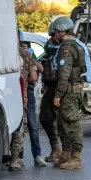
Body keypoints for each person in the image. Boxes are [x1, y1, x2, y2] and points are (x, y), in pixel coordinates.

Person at [51, 17, 91, 170]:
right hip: (75, 89)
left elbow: (64, 74)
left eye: (56, 32)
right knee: (63, 124)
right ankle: (66, 155)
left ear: (62, 31)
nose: (54, 34)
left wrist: (57, 94)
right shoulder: (78, 45)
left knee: (71, 124)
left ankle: (76, 158)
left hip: (69, 91)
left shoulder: (66, 49)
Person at [9, 29, 38, 171]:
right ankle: (15, 159)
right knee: (18, 127)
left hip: (1, 94)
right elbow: (34, 77)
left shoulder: (2, 53)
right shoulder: (25, 54)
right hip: (20, 96)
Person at [18, 40, 47, 167]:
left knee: (25, 125)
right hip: (23, 90)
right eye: (22, 46)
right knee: (26, 126)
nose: (24, 48)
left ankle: (24, 157)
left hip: (23, 91)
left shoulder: (29, 57)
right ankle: (30, 156)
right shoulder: (22, 56)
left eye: (26, 47)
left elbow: (36, 75)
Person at [39, 23, 62, 162]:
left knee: (65, 120)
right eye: (52, 34)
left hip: (64, 86)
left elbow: (89, 58)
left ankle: (68, 152)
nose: (54, 37)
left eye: (56, 33)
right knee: (45, 117)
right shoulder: (49, 47)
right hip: (51, 86)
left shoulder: (71, 46)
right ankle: (56, 148)